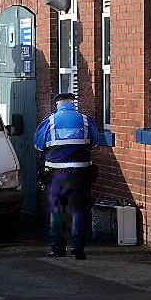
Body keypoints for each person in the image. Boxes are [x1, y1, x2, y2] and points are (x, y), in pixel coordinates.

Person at [34, 93, 99, 260]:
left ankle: (58, 249)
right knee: (78, 211)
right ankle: (78, 250)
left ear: (57, 104)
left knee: (57, 211)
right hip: (80, 174)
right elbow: (95, 142)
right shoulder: (85, 120)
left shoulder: (50, 121)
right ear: (73, 103)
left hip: (57, 175)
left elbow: (38, 145)